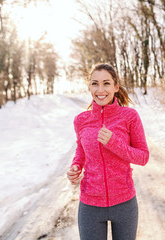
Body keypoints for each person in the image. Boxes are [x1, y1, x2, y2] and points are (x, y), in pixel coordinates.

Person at [66, 63, 149, 240]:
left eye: (106, 83)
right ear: (89, 87)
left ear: (115, 87)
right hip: (90, 204)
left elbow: (143, 157)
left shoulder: (129, 117)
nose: (100, 89)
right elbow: (81, 151)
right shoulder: (81, 120)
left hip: (124, 203)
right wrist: (75, 167)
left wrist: (114, 143)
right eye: (95, 83)